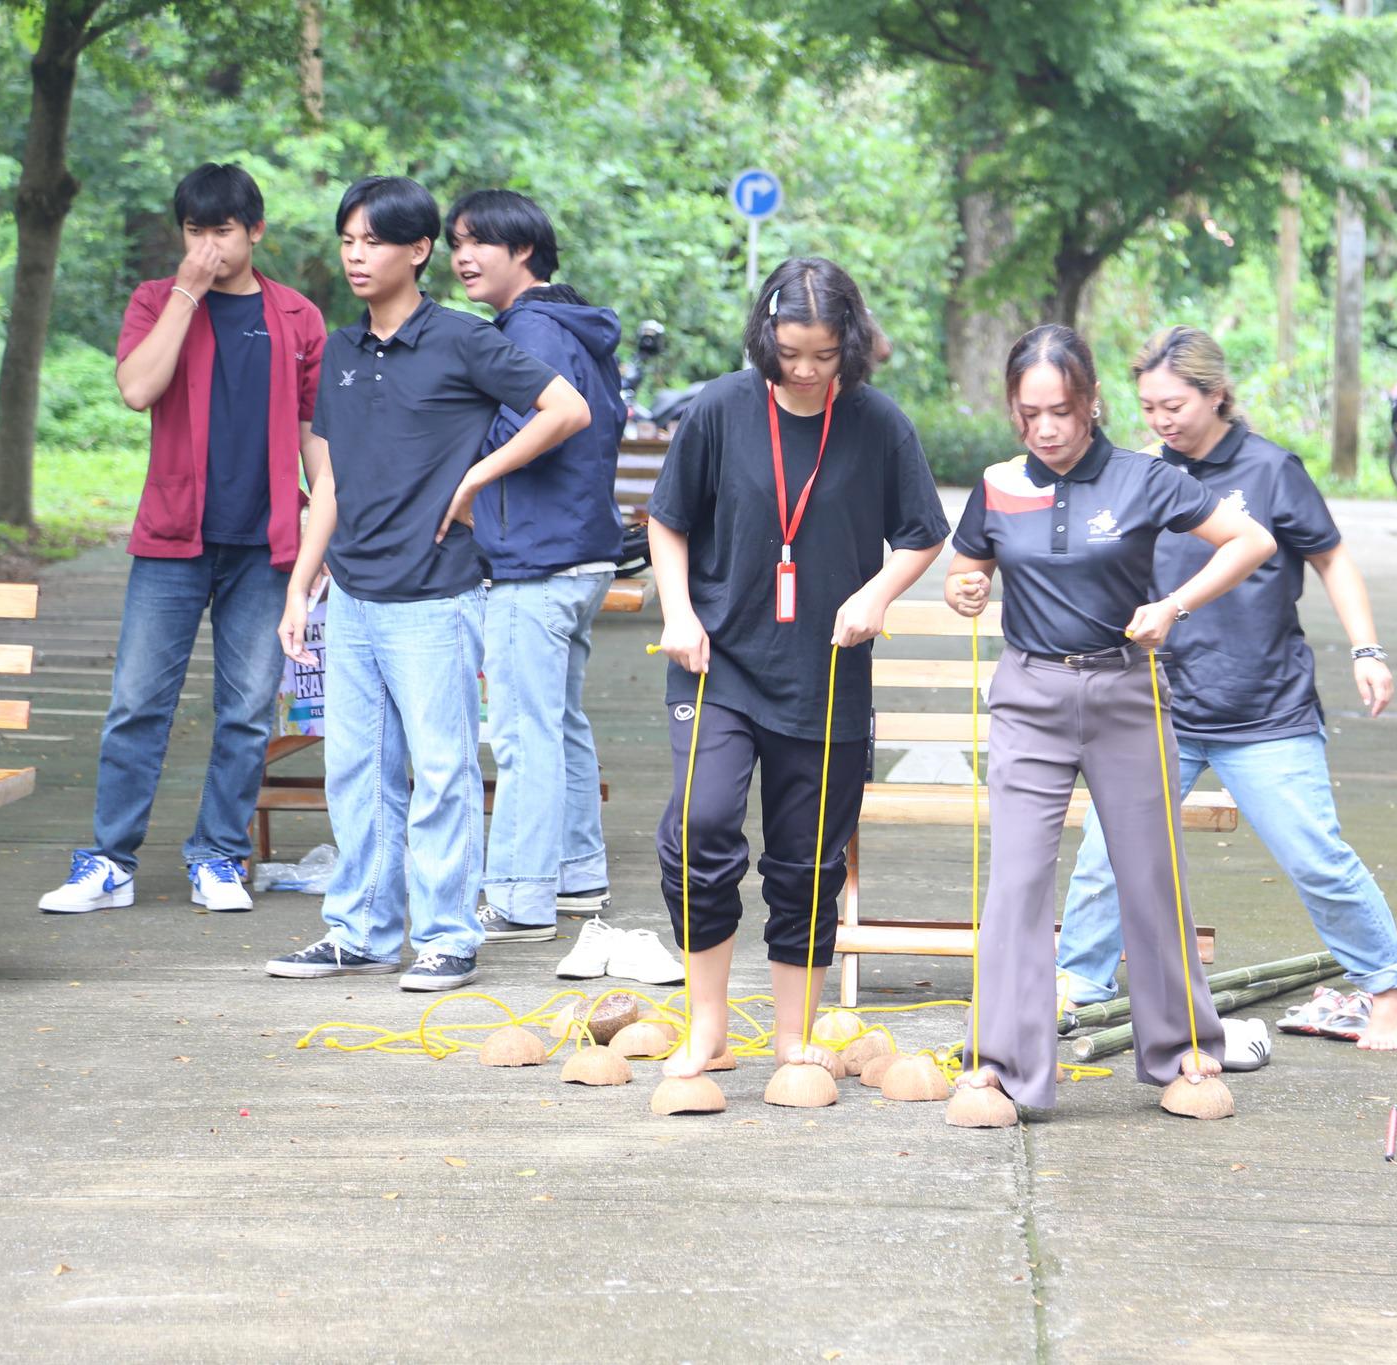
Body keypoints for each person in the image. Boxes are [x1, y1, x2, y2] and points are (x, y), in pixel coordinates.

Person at [263, 176, 590, 991]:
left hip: (438, 598)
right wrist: (303, 585)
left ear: (418, 251)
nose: (356, 255)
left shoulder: (462, 339)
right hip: (355, 594)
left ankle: (447, 936)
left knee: (440, 773)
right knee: (357, 771)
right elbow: (330, 484)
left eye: (373, 241)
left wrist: (478, 474)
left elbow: (566, 408)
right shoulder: (340, 349)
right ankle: (361, 930)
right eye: (347, 241)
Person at [945, 324, 1276, 1112]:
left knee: (1151, 877)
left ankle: (1182, 1054)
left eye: (1061, 409)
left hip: (1127, 694)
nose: (1047, 429)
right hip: (1030, 697)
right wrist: (966, 587)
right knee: (1018, 882)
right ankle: (1000, 1062)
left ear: (1091, 401)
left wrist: (1174, 603)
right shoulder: (998, 484)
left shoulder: (1143, 479)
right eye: (1029, 414)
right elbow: (970, 562)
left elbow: (1252, 539)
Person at [1055, 326, 1397, 1051]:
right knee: (1106, 851)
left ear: (1216, 394)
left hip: (1266, 710)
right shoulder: (1142, 473)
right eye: (1148, 407)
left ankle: (1386, 987)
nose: (1160, 420)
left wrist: (1367, 649)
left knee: (1314, 853)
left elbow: (1333, 560)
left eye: (1174, 405)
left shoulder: (1272, 469)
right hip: (1161, 705)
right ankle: (1079, 988)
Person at [648, 257, 948, 1080]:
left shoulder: (878, 423)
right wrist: (677, 610)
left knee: (807, 857)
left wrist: (878, 592)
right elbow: (667, 521)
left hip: (826, 671)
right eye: (790, 353)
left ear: (849, 343)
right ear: (764, 340)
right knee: (701, 827)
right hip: (720, 662)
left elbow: (924, 530)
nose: (807, 371)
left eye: (824, 354)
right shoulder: (720, 408)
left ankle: (792, 1034)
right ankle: (707, 1024)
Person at [40, 164, 325, 916]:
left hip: (268, 545)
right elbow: (138, 389)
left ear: (255, 231)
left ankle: (220, 856)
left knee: (246, 706)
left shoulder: (297, 316)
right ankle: (109, 859)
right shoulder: (154, 302)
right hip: (172, 536)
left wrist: (324, 531)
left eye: (222, 231)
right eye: (195, 231)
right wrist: (187, 294)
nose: (207, 245)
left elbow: (313, 435)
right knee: (137, 701)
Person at [444, 190, 660, 971]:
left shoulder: (531, 330)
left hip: (536, 558)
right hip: (583, 553)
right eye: (456, 244)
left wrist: (467, 476)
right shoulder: (573, 325)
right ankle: (575, 875)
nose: (462, 257)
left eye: (479, 244)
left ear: (523, 250)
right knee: (560, 721)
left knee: (523, 731)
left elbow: (534, 424)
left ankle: (520, 894)